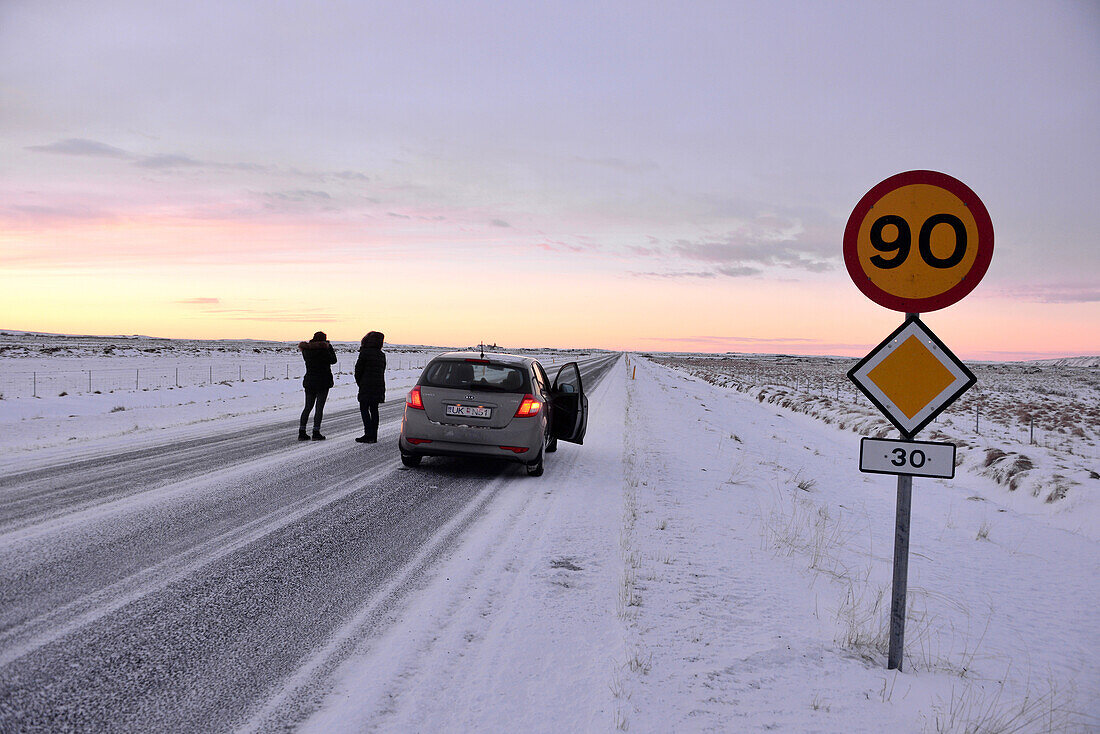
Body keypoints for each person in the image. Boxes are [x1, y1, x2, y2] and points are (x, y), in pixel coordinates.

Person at [298, 331, 337, 441]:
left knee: (307, 407)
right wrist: (329, 347)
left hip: (309, 381)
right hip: (323, 381)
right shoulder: (325, 350)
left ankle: (302, 432)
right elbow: (333, 360)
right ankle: (316, 432)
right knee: (319, 408)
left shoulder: (306, 350)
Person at [353, 331, 386, 443]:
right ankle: (374, 435)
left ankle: (368, 434)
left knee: (364, 409)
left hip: (366, 386)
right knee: (374, 410)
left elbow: (358, 371)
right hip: (378, 386)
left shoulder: (364, 353)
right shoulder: (381, 355)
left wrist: (360, 383)